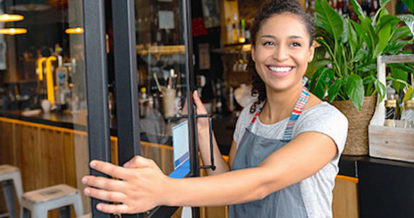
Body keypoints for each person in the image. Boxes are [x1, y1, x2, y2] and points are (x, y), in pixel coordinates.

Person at [82, 0, 348, 217]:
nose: (280, 55)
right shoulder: (250, 115)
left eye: (295, 44)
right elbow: (230, 183)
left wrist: (163, 189)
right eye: (269, 42)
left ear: (310, 52)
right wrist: (202, 132)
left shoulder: (325, 120)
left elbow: (261, 183)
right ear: (253, 50)